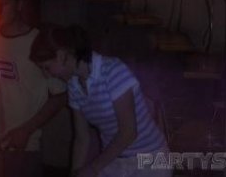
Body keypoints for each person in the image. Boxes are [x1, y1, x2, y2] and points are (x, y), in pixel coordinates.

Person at [29, 25, 171, 177]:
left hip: (150, 158)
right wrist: (75, 172)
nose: (46, 75)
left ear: (61, 55)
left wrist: (92, 169)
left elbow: (129, 132)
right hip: (115, 159)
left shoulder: (113, 71)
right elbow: (82, 138)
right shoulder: (74, 86)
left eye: (47, 67)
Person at [0, 0, 67, 177]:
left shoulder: (37, 42)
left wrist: (26, 130)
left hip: (22, 148)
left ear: (20, 4)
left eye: (5, 3)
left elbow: (60, 95)